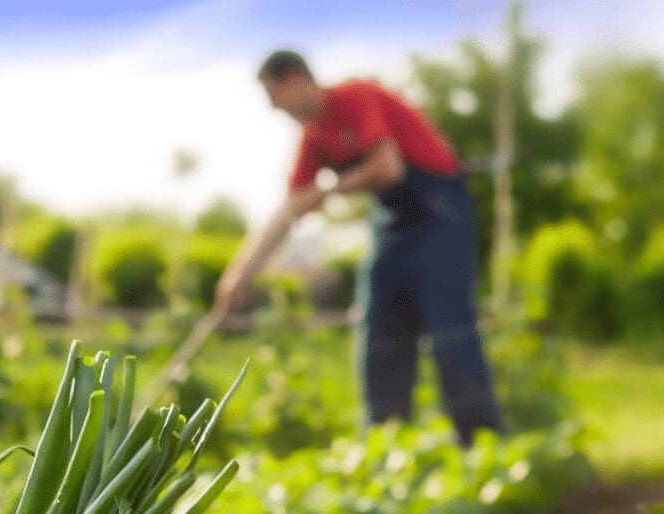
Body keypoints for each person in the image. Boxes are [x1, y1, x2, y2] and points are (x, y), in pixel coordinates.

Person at [214, 49, 503, 445]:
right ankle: (386, 451)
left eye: (274, 96)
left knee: (449, 331)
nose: (275, 108)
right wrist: (240, 273)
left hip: (440, 212)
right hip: (393, 221)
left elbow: (388, 167)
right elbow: (290, 208)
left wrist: (330, 187)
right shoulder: (314, 138)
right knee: (379, 328)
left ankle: (484, 448)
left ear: (295, 79)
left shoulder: (354, 97)